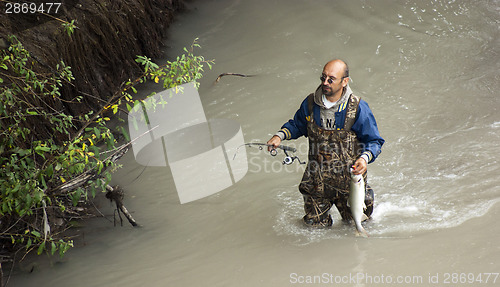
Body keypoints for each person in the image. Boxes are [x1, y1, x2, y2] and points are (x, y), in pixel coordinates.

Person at [267, 59, 384, 227]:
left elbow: (374, 141)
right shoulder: (310, 104)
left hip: (350, 182)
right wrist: (280, 136)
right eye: (323, 77)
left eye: (331, 79)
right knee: (313, 230)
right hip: (317, 183)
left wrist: (364, 159)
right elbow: (297, 125)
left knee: (357, 226)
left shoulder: (357, 107)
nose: (325, 82)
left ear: (345, 81)